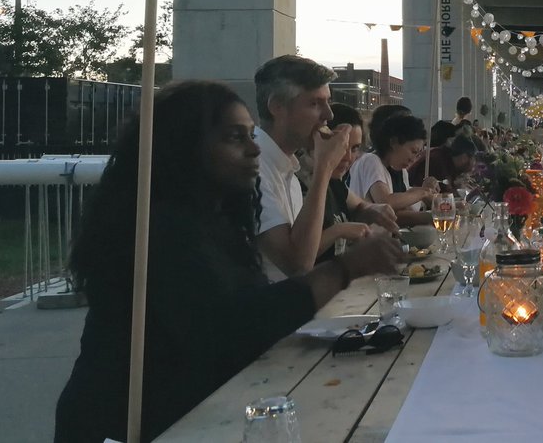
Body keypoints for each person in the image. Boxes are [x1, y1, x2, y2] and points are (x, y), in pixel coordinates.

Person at [55, 81, 401, 442]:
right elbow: (236, 326)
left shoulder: (214, 218)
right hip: (127, 423)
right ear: (185, 146)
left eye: (251, 135)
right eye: (235, 138)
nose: (254, 149)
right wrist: (345, 269)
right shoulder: (154, 228)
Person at [253, 55, 390, 281]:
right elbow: (298, 264)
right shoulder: (254, 166)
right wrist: (324, 166)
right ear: (277, 106)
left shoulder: (285, 166)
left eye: (328, 101)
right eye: (315, 103)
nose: (329, 115)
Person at [300, 103, 400, 264]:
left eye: (354, 149)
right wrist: (340, 230)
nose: (347, 157)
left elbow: (362, 205)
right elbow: (297, 258)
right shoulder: (298, 183)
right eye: (342, 147)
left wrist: (372, 209)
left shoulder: (335, 182)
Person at [348, 114, 436, 226]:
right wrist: (423, 193)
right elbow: (385, 202)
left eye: (417, 154)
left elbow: (402, 212)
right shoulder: (370, 160)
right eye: (413, 151)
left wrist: (437, 209)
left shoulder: (400, 171)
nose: (413, 159)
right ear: (394, 142)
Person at [408, 132, 477, 188]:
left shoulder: (447, 160)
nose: (474, 164)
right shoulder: (438, 161)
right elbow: (442, 193)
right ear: (464, 157)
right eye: (473, 159)